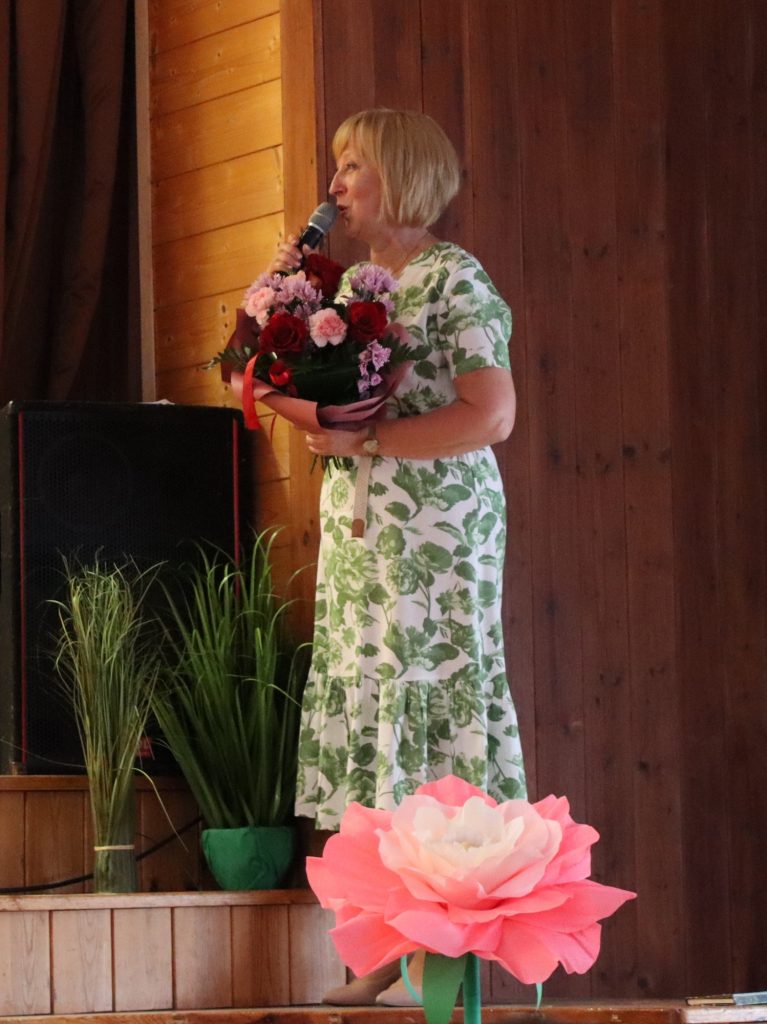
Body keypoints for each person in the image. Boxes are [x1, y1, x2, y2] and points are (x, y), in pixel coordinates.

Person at [267, 108, 526, 1005]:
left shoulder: (454, 276)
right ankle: (384, 943)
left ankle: (431, 950)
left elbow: (492, 414)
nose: (335, 184)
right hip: (365, 528)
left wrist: (368, 441)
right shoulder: (354, 286)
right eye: (336, 165)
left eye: (354, 166)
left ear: (404, 176)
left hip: (435, 531)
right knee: (373, 709)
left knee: (423, 705)